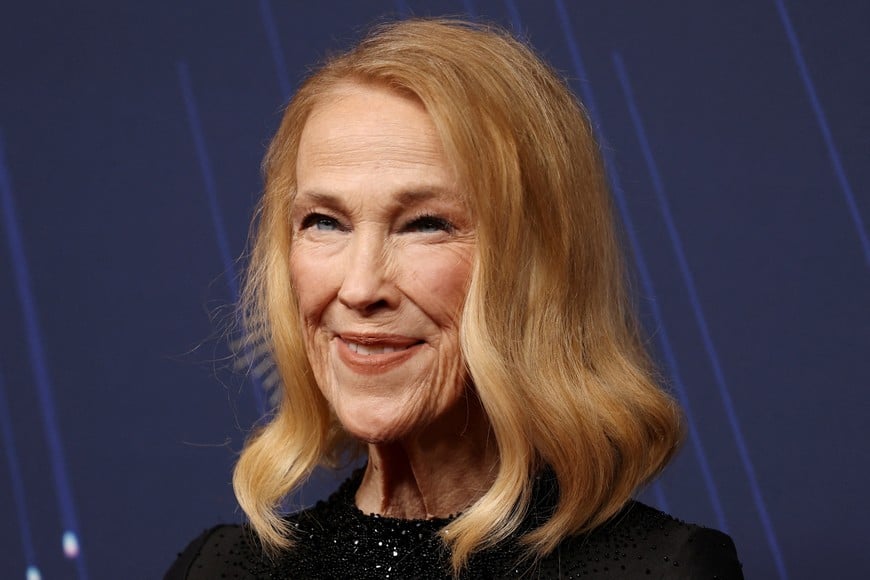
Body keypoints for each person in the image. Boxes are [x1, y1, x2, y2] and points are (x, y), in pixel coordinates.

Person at [166, 18, 742, 579]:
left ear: (537, 265)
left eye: (425, 224)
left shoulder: (662, 569)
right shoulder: (218, 568)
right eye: (325, 222)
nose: (361, 287)